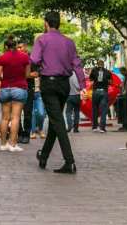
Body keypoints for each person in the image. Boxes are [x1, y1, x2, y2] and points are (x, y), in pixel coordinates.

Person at [31, 11, 86, 174]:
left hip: (49, 83)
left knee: (58, 122)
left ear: (46, 23)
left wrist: (39, 67)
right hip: (64, 85)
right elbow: (77, 64)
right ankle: (44, 156)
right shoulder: (69, 42)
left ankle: (69, 161)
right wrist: (83, 84)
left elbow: (34, 59)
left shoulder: (41, 39)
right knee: (56, 121)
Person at [0, 35, 31, 152]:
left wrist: (5, 79)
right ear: (16, 46)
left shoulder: (2, 58)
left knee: (5, 118)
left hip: (5, 89)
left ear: (5, 46)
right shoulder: (25, 57)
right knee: (15, 118)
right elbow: (27, 75)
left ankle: (3, 144)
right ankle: (13, 144)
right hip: (20, 88)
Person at [17, 40, 35, 144]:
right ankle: (19, 133)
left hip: (28, 88)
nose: (19, 49)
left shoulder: (31, 60)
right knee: (17, 113)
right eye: (17, 47)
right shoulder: (15, 60)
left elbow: (36, 73)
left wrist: (27, 75)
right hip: (18, 88)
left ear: (25, 49)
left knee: (28, 113)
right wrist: (28, 74)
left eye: (20, 47)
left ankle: (26, 134)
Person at [89, 60, 111, 133]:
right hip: (104, 92)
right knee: (103, 111)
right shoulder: (107, 72)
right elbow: (110, 82)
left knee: (94, 110)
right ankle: (102, 128)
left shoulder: (94, 70)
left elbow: (90, 79)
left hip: (95, 92)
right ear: (103, 64)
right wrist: (106, 82)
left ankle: (94, 127)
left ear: (97, 64)